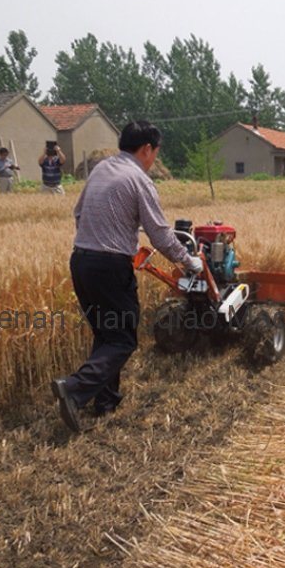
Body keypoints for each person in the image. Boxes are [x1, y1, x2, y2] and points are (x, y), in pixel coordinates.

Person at [50, 121, 203, 432]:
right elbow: (160, 236)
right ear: (146, 149)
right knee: (122, 339)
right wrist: (190, 262)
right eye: (155, 153)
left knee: (106, 336)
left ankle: (105, 403)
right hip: (109, 267)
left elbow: (79, 213)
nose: (154, 159)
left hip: (80, 261)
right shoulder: (139, 180)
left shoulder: (102, 169)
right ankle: (74, 387)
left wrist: (103, 237)